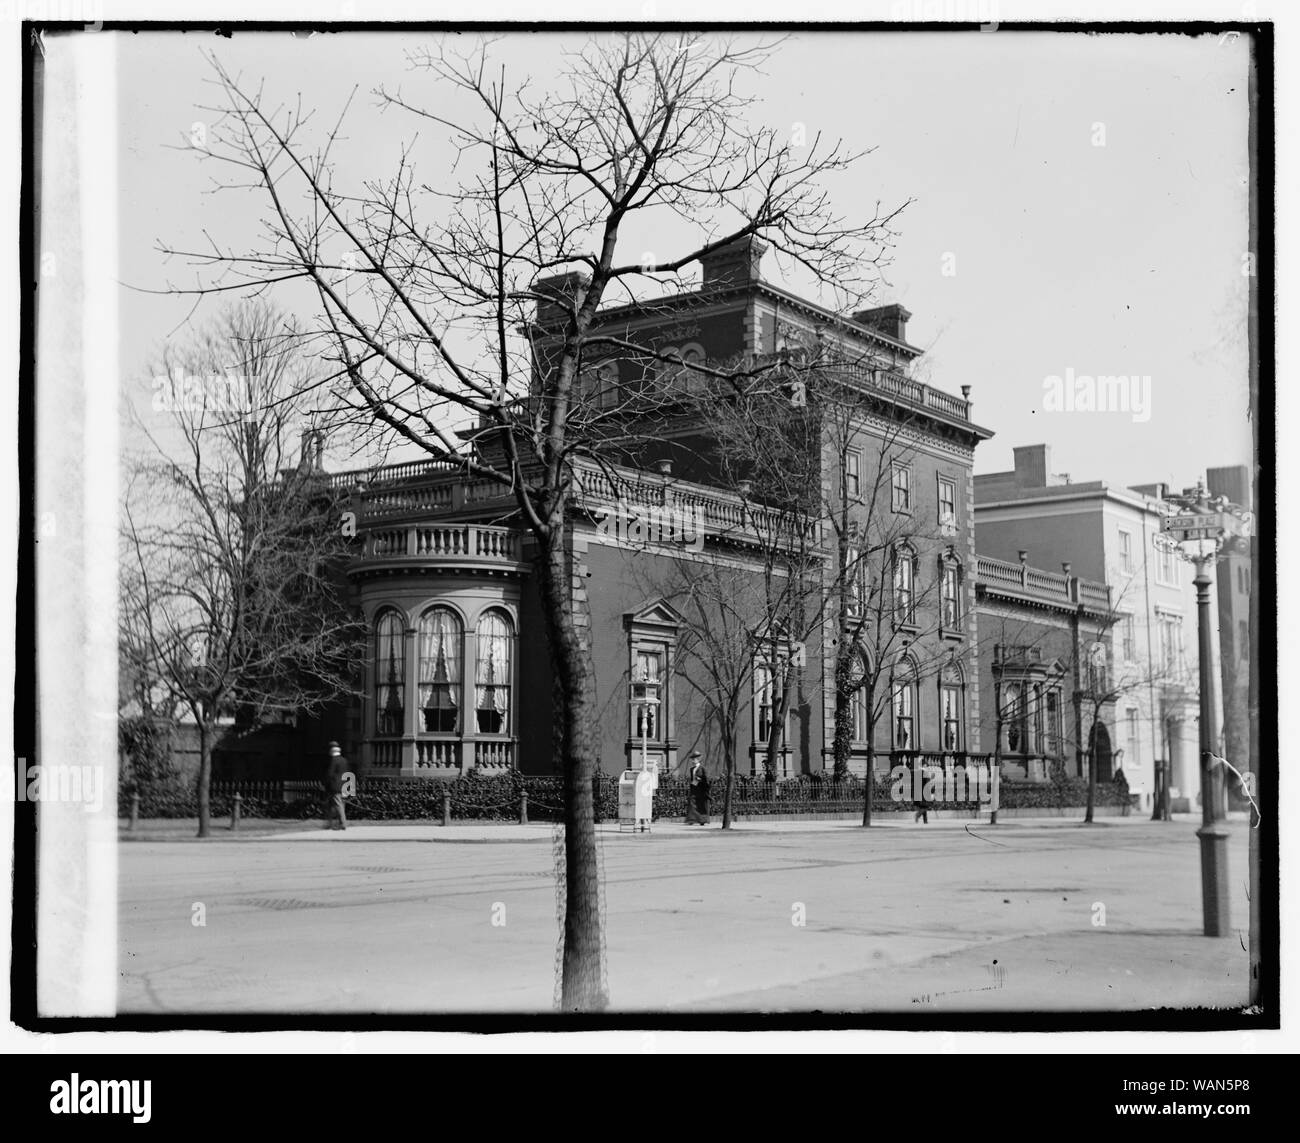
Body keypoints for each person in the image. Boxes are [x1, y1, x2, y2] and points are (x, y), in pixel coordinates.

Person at [323, 741, 349, 831]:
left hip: (335, 786)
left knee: (338, 805)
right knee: (336, 805)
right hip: (344, 785)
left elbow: (330, 774)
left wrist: (326, 784)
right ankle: (330, 823)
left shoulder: (333, 760)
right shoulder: (344, 760)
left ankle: (342, 824)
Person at [685, 751, 710, 825]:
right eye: (692, 759)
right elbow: (692, 779)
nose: (693, 760)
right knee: (692, 803)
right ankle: (691, 819)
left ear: (698, 759)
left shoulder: (702, 768)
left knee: (701, 805)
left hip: (701, 789)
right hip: (694, 788)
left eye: (694, 759)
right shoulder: (691, 769)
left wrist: (700, 780)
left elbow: (706, 779)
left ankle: (702, 820)